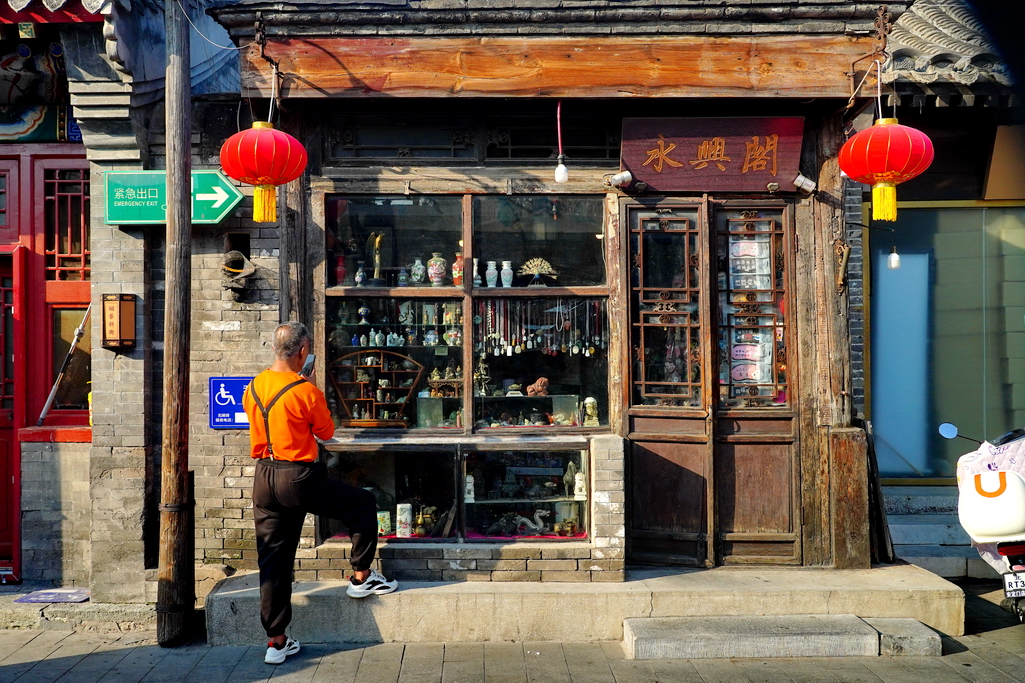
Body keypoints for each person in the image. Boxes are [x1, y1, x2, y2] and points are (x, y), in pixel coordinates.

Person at [243, 321, 397, 665]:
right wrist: (310, 390)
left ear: (274, 349)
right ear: (302, 352)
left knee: (273, 560)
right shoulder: (304, 390)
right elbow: (326, 432)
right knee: (362, 503)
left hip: (264, 476)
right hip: (299, 476)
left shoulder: (253, 386)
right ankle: (360, 577)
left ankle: (276, 641)